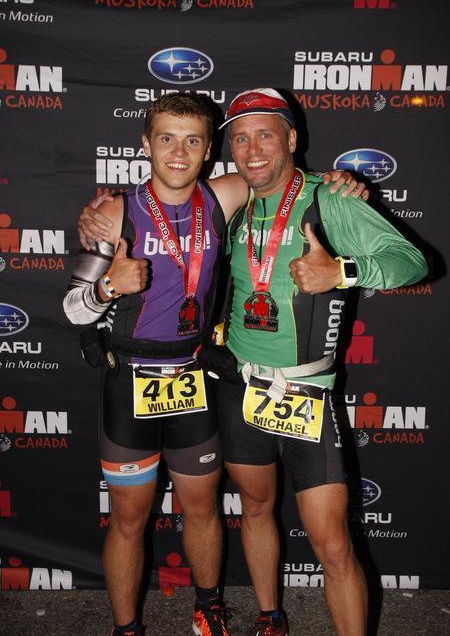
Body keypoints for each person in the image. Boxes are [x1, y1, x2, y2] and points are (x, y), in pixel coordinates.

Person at [68, 91, 367, 636]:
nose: (178, 153)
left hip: (195, 379)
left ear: (208, 151)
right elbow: (72, 307)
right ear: (145, 144)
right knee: (129, 521)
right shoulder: (114, 213)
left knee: (203, 509)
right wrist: (108, 286)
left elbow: (282, 176)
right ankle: (125, 628)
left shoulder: (222, 195)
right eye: (166, 139)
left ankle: (207, 606)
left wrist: (341, 184)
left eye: (192, 141)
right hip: (129, 382)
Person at [211, 89, 427, 636]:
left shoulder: (330, 198)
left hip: (307, 393)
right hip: (239, 388)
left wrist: (343, 272)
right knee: (255, 508)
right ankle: (270, 618)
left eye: (265, 134)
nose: (252, 149)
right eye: (240, 138)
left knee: (332, 542)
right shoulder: (233, 205)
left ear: (291, 139)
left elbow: (411, 261)